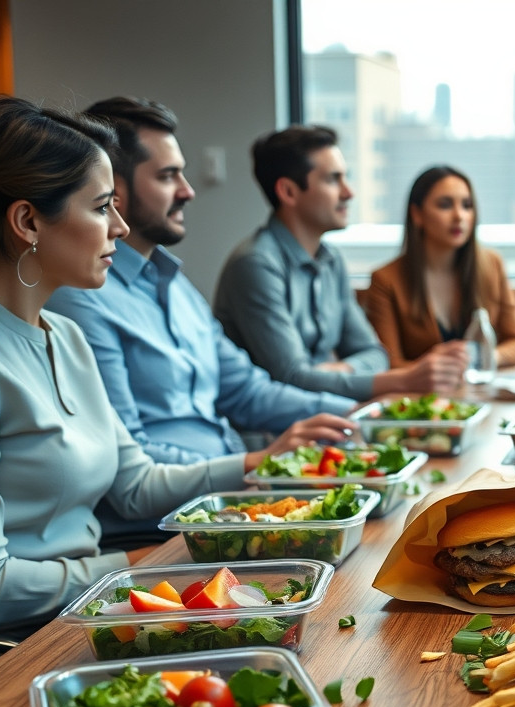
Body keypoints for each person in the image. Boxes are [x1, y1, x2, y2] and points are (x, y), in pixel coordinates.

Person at [0, 97, 246, 642]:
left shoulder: (65, 334)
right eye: (102, 208)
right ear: (27, 221)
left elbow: (136, 484)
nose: (120, 228)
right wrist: (137, 565)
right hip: (8, 650)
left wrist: (262, 468)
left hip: (89, 611)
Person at [44, 98, 354, 491]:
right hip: (179, 509)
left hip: (234, 489)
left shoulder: (174, 283)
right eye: (167, 176)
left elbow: (246, 391)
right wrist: (250, 466)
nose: (188, 191)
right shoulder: (80, 298)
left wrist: (356, 414)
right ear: (113, 190)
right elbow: (130, 466)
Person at [215, 127, 459, 395]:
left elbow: (375, 355)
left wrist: (336, 371)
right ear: (288, 192)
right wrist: (402, 380)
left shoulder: (332, 260)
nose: (348, 193)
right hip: (276, 420)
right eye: (333, 180)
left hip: (329, 408)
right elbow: (292, 379)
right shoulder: (255, 265)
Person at [365, 166, 515, 374]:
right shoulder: (385, 279)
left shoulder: (492, 264)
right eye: (445, 205)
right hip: (422, 392)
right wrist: (434, 367)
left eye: (467, 205)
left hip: (479, 389)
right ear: (417, 214)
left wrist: (483, 359)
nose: (459, 216)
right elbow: (387, 363)